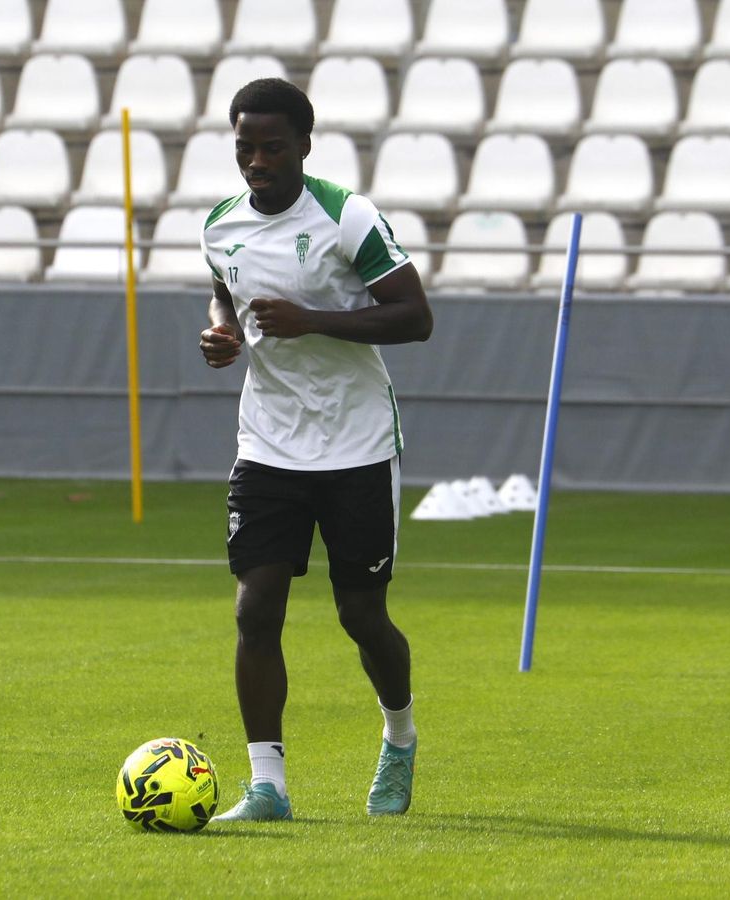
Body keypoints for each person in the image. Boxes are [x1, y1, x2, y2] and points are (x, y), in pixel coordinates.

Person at [197, 78, 433, 822]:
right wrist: (224, 331)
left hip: (356, 443)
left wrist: (314, 320)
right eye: (245, 148)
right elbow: (224, 292)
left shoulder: (346, 216)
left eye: (272, 147)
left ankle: (399, 738)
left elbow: (415, 316)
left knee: (361, 614)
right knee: (255, 610)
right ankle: (267, 785)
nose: (257, 161)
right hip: (267, 442)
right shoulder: (219, 225)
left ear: (304, 144)